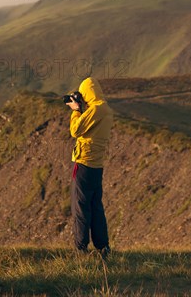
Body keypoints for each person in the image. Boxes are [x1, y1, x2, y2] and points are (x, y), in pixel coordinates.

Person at [65, 77, 114, 259]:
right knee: (95, 206)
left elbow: (76, 131)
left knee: (81, 206)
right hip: (97, 164)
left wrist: (76, 111)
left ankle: (81, 248)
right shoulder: (106, 110)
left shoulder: (96, 109)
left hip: (84, 163)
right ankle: (103, 247)